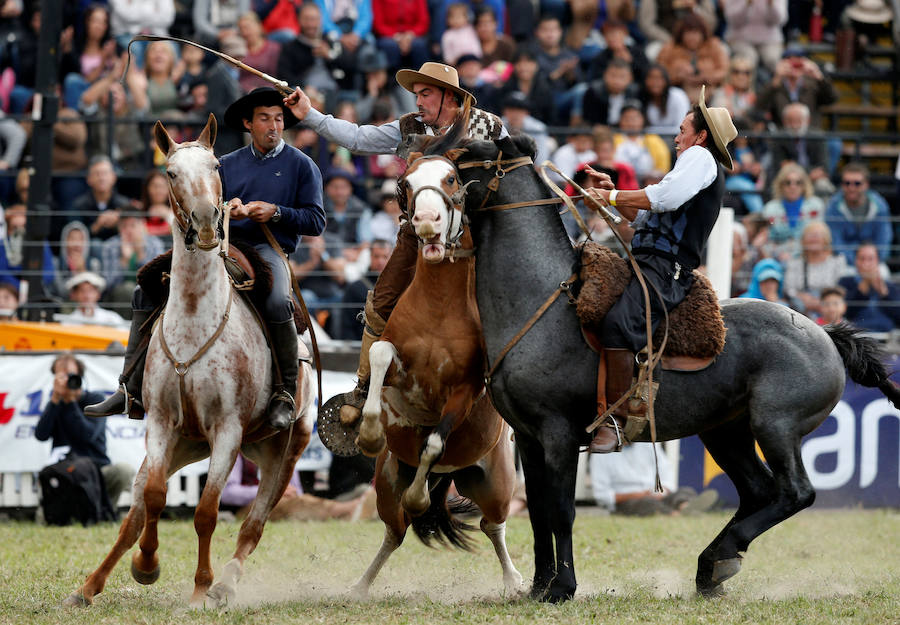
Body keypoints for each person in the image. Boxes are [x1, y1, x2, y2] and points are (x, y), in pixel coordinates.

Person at [86, 87, 326, 431]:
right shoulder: (223, 164)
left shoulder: (303, 166)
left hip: (269, 251)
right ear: (248, 123)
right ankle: (130, 388)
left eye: (279, 119)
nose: (274, 126)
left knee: (276, 301)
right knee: (145, 289)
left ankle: (285, 393)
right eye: (264, 118)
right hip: (214, 245)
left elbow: (316, 222)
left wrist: (273, 212)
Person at [282, 60, 507, 419]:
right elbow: (357, 138)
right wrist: (310, 115)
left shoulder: (490, 127)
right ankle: (361, 389)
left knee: (508, 299)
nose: (417, 102)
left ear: (449, 96)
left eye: (425, 94)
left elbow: (516, 169)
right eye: (416, 94)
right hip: (416, 232)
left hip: (479, 233)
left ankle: (507, 380)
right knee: (382, 301)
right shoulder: (408, 127)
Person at [584, 85, 736, 453]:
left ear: (701, 136)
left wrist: (613, 196)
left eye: (683, 129)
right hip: (651, 262)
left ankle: (617, 423)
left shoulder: (700, 160)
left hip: (665, 270)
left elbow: (662, 200)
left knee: (619, 324)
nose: (676, 135)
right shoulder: (690, 166)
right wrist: (617, 193)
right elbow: (645, 216)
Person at [35, 353, 135, 507]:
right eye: (61, 376)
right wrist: (55, 400)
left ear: (80, 376)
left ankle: (105, 511)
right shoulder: (55, 404)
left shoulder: (95, 399)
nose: (67, 380)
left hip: (97, 470)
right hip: (66, 472)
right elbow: (41, 435)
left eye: (71, 375)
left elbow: (88, 435)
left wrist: (70, 402)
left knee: (123, 470)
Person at [590, 442, 718, 515]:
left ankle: (685, 507)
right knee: (647, 504)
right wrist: (637, 495)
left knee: (686, 491)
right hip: (628, 501)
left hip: (656, 494)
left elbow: (665, 472)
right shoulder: (602, 453)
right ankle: (679, 514)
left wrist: (663, 491)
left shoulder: (647, 444)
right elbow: (602, 495)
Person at [826, 162, 893, 265]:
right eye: (847, 183)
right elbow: (836, 243)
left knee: (883, 274)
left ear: (866, 185)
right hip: (844, 263)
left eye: (857, 183)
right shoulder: (833, 207)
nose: (851, 188)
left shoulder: (880, 206)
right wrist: (857, 263)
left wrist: (870, 262)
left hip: (873, 262)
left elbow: (883, 242)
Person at [782, 221, 849, 318]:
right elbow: (789, 288)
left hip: (830, 306)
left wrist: (824, 301)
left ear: (826, 239)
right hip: (802, 307)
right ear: (803, 240)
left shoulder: (837, 261)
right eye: (810, 235)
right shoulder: (795, 262)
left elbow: (841, 287)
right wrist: (803, 297)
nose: (814, 238)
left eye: (818, 235)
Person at [838, 242, 900, 333]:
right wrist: (863, 287)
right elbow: (844, 313)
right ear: (855, 261)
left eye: (870, 259)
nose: (866, 263)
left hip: (887, 336)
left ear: (877, 261)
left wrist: (885, 293)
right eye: (862, 259)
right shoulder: (845, 282)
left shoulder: (891, 286)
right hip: (856, 336)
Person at [56, 271, 129, 328]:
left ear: (98, 294)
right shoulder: (68, 322)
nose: (87, 296)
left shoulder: (111, 319)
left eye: (90, 291)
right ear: (74, 295)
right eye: (82, 291)